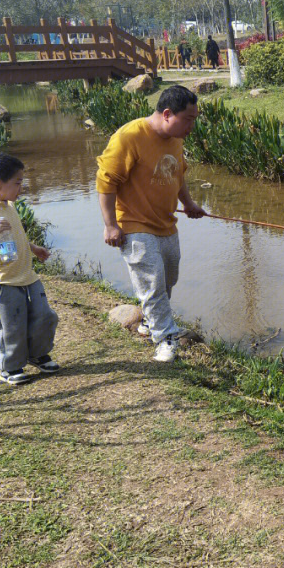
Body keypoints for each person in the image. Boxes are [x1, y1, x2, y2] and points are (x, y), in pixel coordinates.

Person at [95, 85, 206, 362]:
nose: (191, 126)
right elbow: (106, 182)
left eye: (194, 119)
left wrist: (189, 203)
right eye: (188, 119)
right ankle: (165, 339)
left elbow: (177, 174)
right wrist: (110, 225)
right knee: (153, 282)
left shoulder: (175, 138)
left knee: (168, 278)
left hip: (166, 224)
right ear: (168, 114)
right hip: (134, 224)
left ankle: (148, 322)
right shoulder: (129, 136)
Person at [0, 151, 60, 385]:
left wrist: (33, 248)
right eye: (18, 182)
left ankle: (37, 354)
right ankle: (10, 367)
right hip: (1, 282)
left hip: (27, 276)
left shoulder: (8, 205)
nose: (22, 187)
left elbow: (15, 236)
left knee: (44, 316)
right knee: (11, 327)